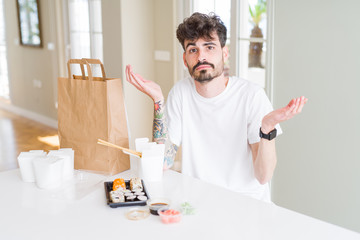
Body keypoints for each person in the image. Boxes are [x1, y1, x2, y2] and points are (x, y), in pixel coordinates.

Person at [125, 12, 307, 202]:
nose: (201, 56)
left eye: (209, 47)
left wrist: (267, 129)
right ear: (185, 59)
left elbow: (263, 177)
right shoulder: (180, 93)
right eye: (193, 49)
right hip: (199, 202)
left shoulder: (251, 96)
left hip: (246, 204)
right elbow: (164, 162)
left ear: (224, 53)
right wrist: (158, 102)